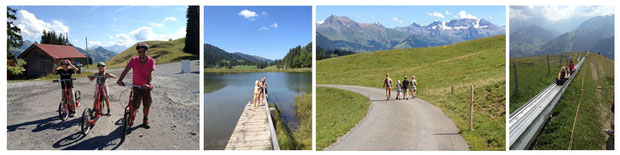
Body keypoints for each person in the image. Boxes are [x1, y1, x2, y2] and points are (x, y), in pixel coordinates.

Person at [117, 42, 155, 129]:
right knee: (135, 105)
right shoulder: (134, 60)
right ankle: (131, 116)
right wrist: (120, 80)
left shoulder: (151, 61)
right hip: (136, 86)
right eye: (140, 51)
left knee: (146, 104)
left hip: (146, 87)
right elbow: (126, 69)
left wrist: (148, 83)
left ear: (146, 51)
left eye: (143, 51)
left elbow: (151, 72)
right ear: (138, 52)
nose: (142, 53)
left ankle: (145, 119)